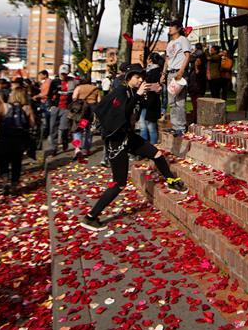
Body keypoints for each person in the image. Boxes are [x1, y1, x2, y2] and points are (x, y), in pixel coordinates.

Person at [80, 64, 188, 232]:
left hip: (128, 137)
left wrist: (151, 93)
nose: (140, 80)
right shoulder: (120, 92)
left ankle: (171, 181)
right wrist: (137, 96)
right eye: (137, 77)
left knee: (157, 154)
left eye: (141, 78)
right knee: (119, 183)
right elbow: (122, 113)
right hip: (117, 142)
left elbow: (139, 107)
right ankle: (91, 217)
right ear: (128, 78)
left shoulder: (132, 92)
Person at [0, 87, 34, 195]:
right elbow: (32, 124)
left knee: (3, 161)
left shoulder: (4, 106)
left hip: (4, 138)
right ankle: (14, 186)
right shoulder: (27, 108)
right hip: (19, 140)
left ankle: (5, 181)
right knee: (16, 163)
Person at [165, 19, 192, 136]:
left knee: (179, 101)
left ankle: (180, 127)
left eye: (172, 26)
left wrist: (181, 71)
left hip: (178, 73)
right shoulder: (169, 43)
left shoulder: (183, 40)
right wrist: (163, 73)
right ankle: (175, 126)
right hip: (170, 73)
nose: (169, 28)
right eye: (169, 26)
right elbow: (167, 59)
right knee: (172, 102)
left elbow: (187, 55)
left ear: (179, 28)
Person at [69, 76, 102, 158]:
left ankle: (77, 148)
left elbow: (74, 98)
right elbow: (99, 101)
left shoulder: (79, 88)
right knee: (89, 130)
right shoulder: (95, 88)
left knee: (78, 129)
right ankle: (86, 149)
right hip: (91, 110)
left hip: (82, 111)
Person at [139, 53, 164, 145]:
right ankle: (147, 147)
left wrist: (145, 87)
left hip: (150, 102)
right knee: (146, 127)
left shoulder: (154, 71)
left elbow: (155, 87)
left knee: (149, 127)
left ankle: (150, 148)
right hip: (148, 101)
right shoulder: (153, 70)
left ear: (150, 60)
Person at [187, 42, 207, 119]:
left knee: (196, 103)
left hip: (196, 85)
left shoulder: (197, 56)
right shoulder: (203, 55)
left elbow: (191, 59)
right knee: (197, 103)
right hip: (197, 84)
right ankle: (196, 117)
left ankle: (196, 118)